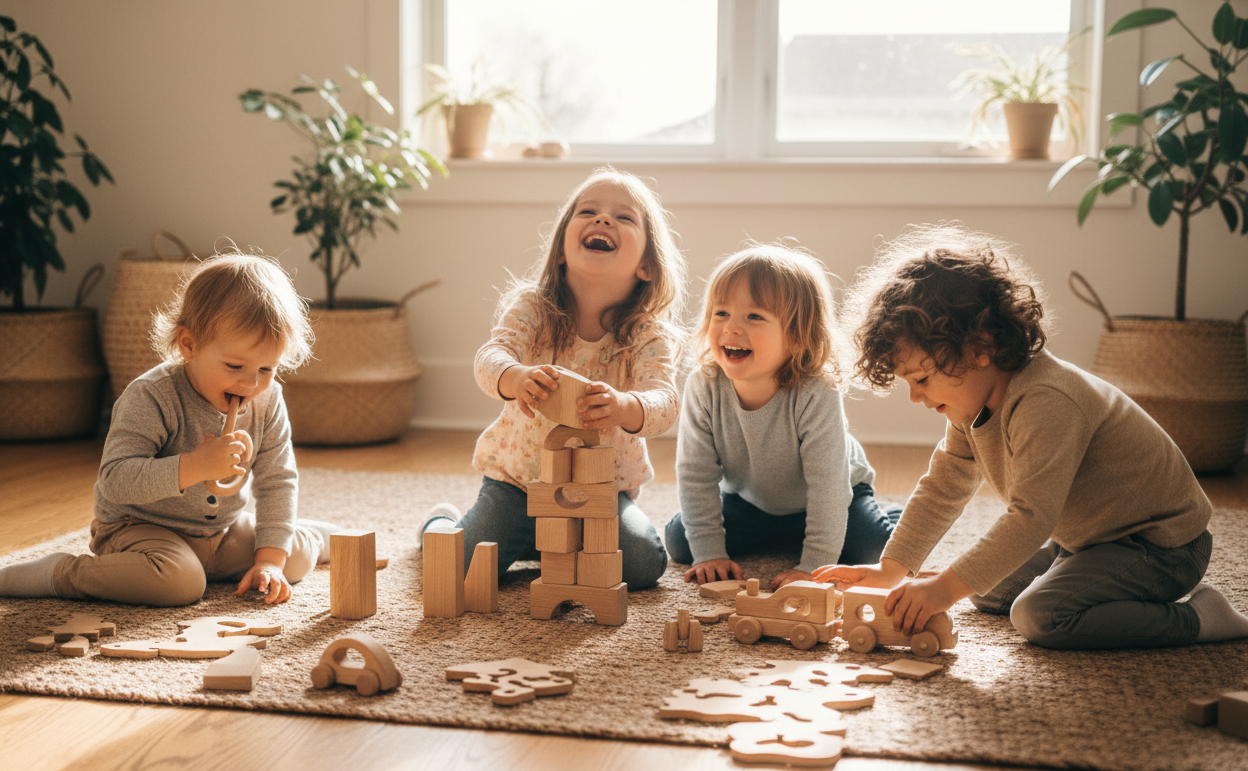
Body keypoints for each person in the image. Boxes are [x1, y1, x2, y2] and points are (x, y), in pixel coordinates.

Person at [815, 224, 1248, 649]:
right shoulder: (973, 400)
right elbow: (943, 486)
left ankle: (1199, 619)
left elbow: (1031, 518)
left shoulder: (1047, 399)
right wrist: (891, 569)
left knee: (1038, 615)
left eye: (922, 378)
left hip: (1162, 546)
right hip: (1088, 539)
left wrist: (944, 590)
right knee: (983, 589)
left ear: (980, 346)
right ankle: (1073, 572)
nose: (915, 396)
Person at [0, 251, 341, 606]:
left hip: (219, 532)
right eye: (235, 365)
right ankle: (62, 573)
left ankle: (311, 537)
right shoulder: (151, 396)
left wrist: (269, 561)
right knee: (180, 584)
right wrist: (194, 466)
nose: (251, 383)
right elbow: (115, 480)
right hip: (140, 527)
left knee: (289, 559)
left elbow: (278, 480)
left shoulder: (267, 401)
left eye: (267, 369)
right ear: (188, 344)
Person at [420, 167, 686, 590]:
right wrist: (515, 376)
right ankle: (439, 525)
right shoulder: (533, 307)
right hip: (519, 487)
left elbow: (665, 403)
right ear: (561, 250)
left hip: (599, 492)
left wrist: (623, 406)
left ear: (648, 267)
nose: (603, 220)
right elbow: (491, 356)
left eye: (624, 217)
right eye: (588, 211)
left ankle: (552, 550)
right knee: (454, 566)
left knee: (641, 565)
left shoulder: (648, 333)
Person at [665, 241, 899, 591]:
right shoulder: (704, 386)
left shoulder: (815, 391)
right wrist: (709, 553)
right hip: (752, 502)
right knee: (681, 540)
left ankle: (889, 514)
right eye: (721, 313)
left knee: (876, 548)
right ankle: (787, 537)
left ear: (797, 338)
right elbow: (695, 474)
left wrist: (813, 565)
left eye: (754, 316)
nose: (731, 328)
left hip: (835, 494)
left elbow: (828, 487)